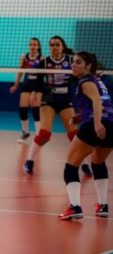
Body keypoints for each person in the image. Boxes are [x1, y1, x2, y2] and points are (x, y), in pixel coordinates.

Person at [23, 36, 92, 176]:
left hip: (66, 99)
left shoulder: (70, 61)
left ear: (62, 46)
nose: (54, 47)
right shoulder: (45, 61)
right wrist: (34, 93)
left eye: (57, 45)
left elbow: (81, 74)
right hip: (49, 97)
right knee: (44, 134)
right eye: (52, 45)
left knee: (75, 135)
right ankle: (29, 161)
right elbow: (38, 79)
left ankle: (84, 165)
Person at [58, 52, 112, 220]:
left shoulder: (86, 80)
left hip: (95, 126)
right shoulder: (98, 81)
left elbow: (96, 100)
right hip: (111, 125)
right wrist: (80, 116)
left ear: (88, 65)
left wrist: (95, 124)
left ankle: (75, 207)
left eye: (78, 62)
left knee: (71, 166)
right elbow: (103, 103)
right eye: (73, 62)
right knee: (98, 162)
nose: (73, 65)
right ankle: (102, 205)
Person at [9, 38, 44, 143]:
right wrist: (16, 85)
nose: (33, 46)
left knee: (35, 109)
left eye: (35, 44)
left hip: (37, 85)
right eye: (31, 44)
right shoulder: (24, 57)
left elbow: (43, 75)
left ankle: (38, 135)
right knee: (22, 109)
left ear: (38, 46)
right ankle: (25, 133)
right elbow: (20, 71)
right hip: (27, 84)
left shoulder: (42, 58)